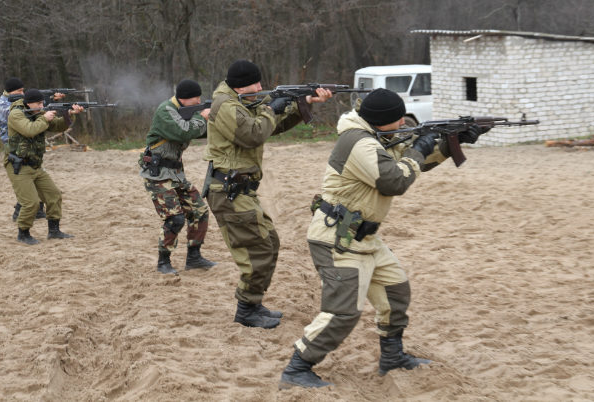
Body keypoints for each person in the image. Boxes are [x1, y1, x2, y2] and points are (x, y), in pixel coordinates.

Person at [279, 88, 486, 388]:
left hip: (364, 238)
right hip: (338, 238)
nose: (404, 123)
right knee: (343, 312)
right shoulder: (357, 142)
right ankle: (297, 368)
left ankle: (393, 356)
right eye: (398, 119)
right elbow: (394, 180)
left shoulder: (378, 137)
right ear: (382, 121)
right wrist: (420, 147)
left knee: (396, 292)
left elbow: (415, 162)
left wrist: (447, 144)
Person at [204, 59, 333, 329]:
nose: (261, 87)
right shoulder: (226, 106)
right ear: (241, 86)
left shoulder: (240, 102)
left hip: (240, 190)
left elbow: (271, 127)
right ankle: (246, 309)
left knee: (269, 242)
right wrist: (272, 108)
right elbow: (253, 134)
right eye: (256, 83)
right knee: (260, 247)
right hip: (229, 190)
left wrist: (301, 103)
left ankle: (252, 304)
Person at [140, 79, 217, 275]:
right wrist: (203, 117)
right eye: (196, 98)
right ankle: (163, 262)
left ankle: (194, 257)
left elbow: (199, 131)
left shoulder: (184, 111)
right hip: (157, 175)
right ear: (184, 98)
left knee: (199, 211)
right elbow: (185, 131)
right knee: (174, 218)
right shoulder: (166, 111)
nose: (199, 101)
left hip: (175, 173)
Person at [5, 88, 84, 245]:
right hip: (18, 165)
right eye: (39, 103)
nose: (42, 105)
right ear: (28, 103)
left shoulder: (39, 113)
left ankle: (54, 231)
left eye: (42, 103)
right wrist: (44, 118)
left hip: (35, 164)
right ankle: (23, 233)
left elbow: (59, 126)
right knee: (31, 203)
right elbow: (29, 130)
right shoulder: (16, 114)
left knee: (54, 195)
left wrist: (69, 115)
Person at [0, 77, 47, 221]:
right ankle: (20, 211)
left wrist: (48, 102)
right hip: (13, 144)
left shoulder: (13, 102)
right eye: (20, 91)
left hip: (24, 141)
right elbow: (25, 115)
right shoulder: (3, 104)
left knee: (34, 173)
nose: (22, 93)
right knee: (24, 177)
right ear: (11, 92)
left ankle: (37, 209)